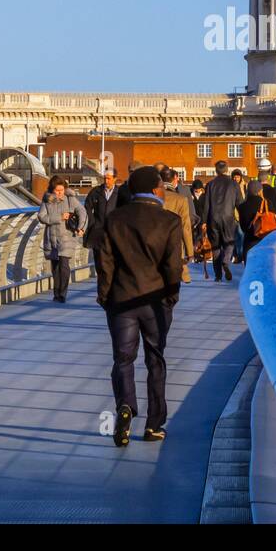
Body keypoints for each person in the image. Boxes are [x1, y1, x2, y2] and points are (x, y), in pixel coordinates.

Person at [95, 165, 184, 446]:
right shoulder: (169, 221)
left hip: (121, 301)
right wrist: (171, 296)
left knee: (123, 359)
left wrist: (105, 295)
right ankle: (154, 425)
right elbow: (172, 266)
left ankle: (125, 406)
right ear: (157, 190)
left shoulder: (114, 219)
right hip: (156, 302)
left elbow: (104, 263)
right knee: (155, 360)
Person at [40, 175, 87, 302]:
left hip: (67, 237)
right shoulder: (47, 200)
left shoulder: (70, 199)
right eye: (57, 191)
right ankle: (56, 293)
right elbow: (41, 217)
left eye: (62, 190)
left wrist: (81, 227)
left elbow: (82, 212)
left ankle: (63, 294)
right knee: (55, 267)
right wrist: (59, 217)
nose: (60, 193)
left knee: (64, 265)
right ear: (52, 189)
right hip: (52, 238)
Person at [200, 159, 241, 281]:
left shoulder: (210, 184)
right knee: (229, 243)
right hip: (228, 218)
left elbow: (206, 205)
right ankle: (226, 261)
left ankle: (218, 275)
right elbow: (240, 203)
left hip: (213, 218)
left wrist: (203, 221)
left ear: (216, 170)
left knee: (216, 246)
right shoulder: (234, 184)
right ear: (227, 170)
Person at [159, 168, 194, 284]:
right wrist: (190, 252)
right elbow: (186, 227)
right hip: (175, 244)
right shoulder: (181, 199)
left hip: (155, 242)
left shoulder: (154, 197)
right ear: (175, 179)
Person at [236, 179, 276, 255]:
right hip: (265, 241)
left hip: (249, 243)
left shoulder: (242, 206)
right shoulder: (267, 203)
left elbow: (243, 227)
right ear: (260, 190)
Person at [84, 167, 120, 255]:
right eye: (104, 178)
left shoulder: (120, 193)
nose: (106, 181)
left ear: (115, 179)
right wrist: (92, 222)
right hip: (98, 231)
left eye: (109, 178)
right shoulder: (96, 191)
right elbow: (87, 207)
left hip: (113, 232)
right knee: (98, 257)